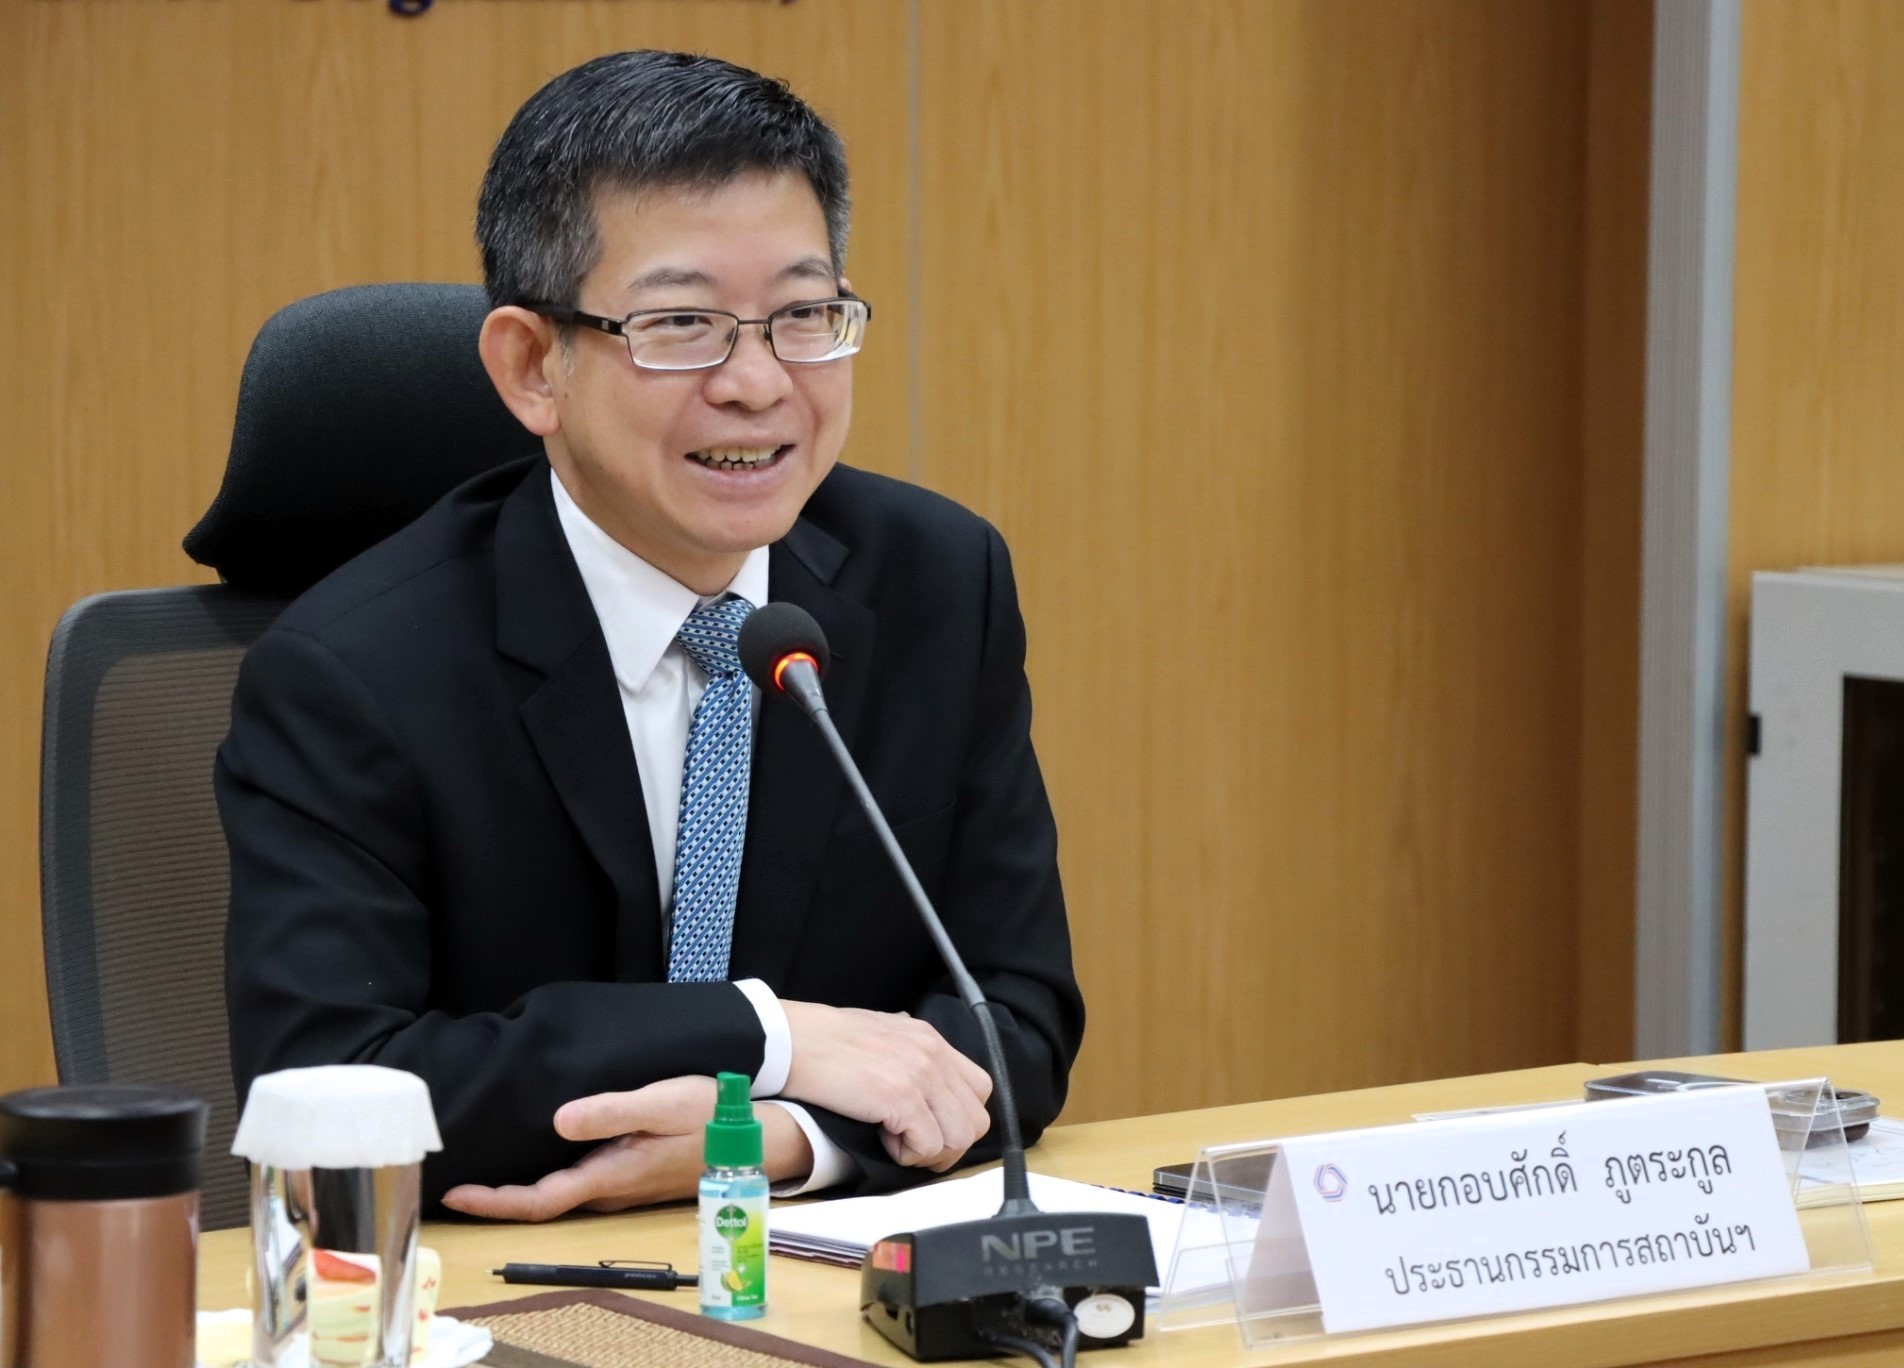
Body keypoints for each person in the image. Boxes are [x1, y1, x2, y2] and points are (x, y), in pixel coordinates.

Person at [218, 50, 1083, 1220]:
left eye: (802, 316)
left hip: (809, 1269)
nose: (758, 383)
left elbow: (1015, 1014)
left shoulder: (937, 583)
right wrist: (763, 1034)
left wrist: (771, 1141)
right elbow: (327, 1090)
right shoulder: (353, 671)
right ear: (533, 367)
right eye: (682, 325)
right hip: (492, 1282)